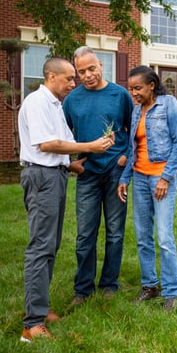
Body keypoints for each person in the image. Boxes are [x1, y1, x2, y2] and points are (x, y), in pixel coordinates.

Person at [18, 57, 114, 342]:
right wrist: (90, 147)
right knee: (40, 247)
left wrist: (68, 164)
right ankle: (32, 325)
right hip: (42, 178)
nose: (74, 83)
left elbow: (54, 145)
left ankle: (41, 307)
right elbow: (45, 144)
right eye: (69, 78)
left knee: (51, 245)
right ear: (51, 77)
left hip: (55, 175)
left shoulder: (54, 104)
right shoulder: (36, 103)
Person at [62, 46, 134, 305]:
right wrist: (71, 162)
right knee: (85, 234)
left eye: (91, 69)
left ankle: (109, 284)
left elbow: (133, 129)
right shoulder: (72, 100)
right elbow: (62, 135)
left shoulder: (120, 95)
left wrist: (126, 156)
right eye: (81, 71)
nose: (88, 75)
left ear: (101, 65)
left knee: (115, 232)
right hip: (88, 174)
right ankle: (82, 290)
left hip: (116, 171)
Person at [117, 65, 177, 312]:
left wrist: (166, 178)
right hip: (140, 177)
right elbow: (132, 148)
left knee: (164, 237)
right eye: (130, 88)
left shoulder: (168, 105)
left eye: (137, 88)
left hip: (161, 178)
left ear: (151, 86)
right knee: (143, 236)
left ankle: (171, 291)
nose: (133, 93)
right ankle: (149, 286)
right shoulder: (136, 111)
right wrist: (125, 178)